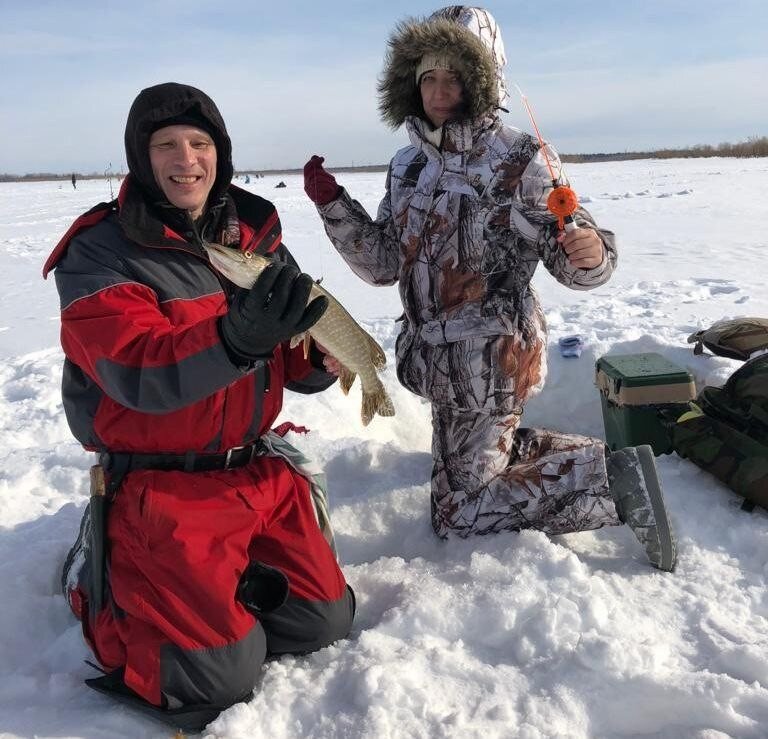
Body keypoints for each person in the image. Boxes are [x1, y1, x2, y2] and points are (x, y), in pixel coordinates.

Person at [303, 6, 677, 572]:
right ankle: (603, 461)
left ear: (483, 79)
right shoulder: (407, 166)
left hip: (492, 359)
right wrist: (334, 206)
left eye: (454, 76)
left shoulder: (521, 159)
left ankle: (610, 483)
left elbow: (575, 254)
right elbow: (383, 263)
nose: (438, 91)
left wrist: (591, 252)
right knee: (464, 473)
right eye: (428, 77)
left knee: (459, 514)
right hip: (437, 360)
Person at [44, 82, 354, 731]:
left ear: (220, 154)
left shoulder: (256, 234)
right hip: (160, 486)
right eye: (166, 145)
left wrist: (315, 360)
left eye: (199, 143)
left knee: (321, 621)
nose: (186, 159)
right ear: (141, 157)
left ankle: (214, 583)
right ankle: (95, 569)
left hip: (253, 473)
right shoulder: (99, 250)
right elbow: (136, 370)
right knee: (212, 679)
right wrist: (234, 339)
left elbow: (287, 348)